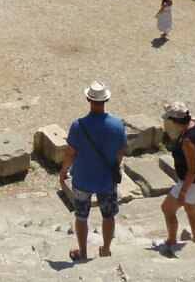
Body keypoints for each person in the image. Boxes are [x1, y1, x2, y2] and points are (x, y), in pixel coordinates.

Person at [59, 81, 127, 262]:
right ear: (107, 100)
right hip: (107, 180)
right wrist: (114, 167)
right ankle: (105, 249)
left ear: (88, 99)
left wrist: (63, 171)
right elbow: (120, 152)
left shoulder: (78, 126)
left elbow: (70, 153)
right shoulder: (117, 125)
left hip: (82, 178)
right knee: (108, 214)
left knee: (81, 217)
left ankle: (83, 252)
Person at [157, 102, 195, 257]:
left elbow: (192, 170)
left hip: (192, 182)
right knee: (191, 211)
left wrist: (183, 192)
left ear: (176, 121)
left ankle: (171, 240)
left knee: (167, 208)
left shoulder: (187, 140)